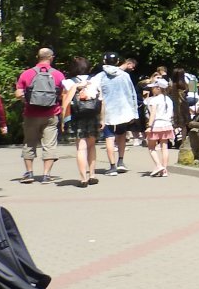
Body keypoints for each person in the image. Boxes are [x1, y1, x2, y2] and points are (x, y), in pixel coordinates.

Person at [16, 48, 65, 184]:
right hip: (51, 114)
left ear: (37, 57)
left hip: (31, 114)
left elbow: (18, 93)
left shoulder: (27, 73)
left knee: (29, 142)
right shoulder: (58, 74)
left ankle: (29, 173)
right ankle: (46, 175)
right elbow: (63, 94)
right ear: (51, 58)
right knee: (49, 145)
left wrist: (27, 100)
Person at [96, 52, 142, 175]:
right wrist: (134, 113)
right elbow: (131, 93)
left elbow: (95, 93)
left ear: (104, 62)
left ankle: (112, 167)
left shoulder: (100, 76)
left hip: (107, 112)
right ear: (117, 62)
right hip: (123, 110)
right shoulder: (124, 76)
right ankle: (121, 161)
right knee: (121, 135)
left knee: (109, 138)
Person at [62, 56, 104, 187]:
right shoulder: (95, 80)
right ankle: (92, 175)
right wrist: (102, 118)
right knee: (92, 146)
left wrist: (63, 121)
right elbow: (102, 101)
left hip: (77, 117)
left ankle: (83, 178)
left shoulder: (68, 82)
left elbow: (66, 103)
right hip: (93, 116)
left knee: (81, 148)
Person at [143, 78, 175, 177]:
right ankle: (164, 169)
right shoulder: (168, 99)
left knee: (151, 147)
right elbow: (172, 113)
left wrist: (149, 126)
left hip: (156, 125)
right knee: (164, 147)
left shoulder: (154, 100)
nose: (152, 90)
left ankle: (158, 165)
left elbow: (152, 114)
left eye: (153, 88)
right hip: (167, 124)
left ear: (158, 88)